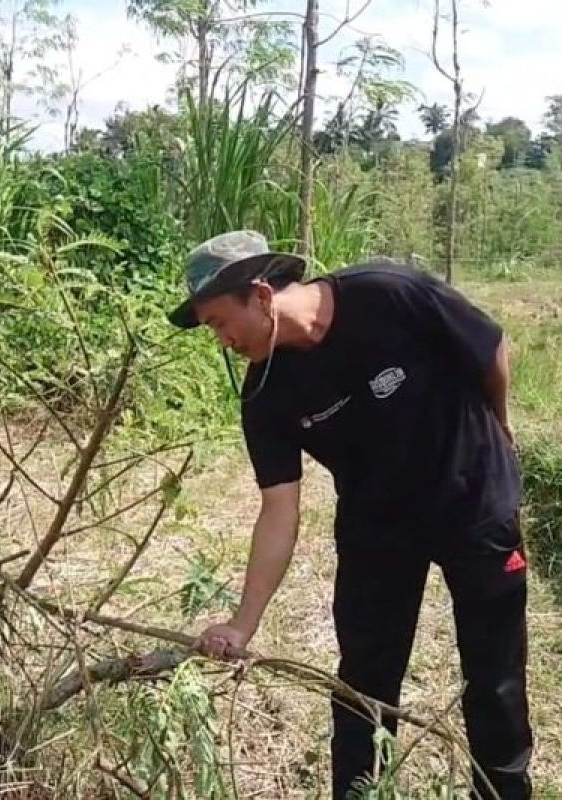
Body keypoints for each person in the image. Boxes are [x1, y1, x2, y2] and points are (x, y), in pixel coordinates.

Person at [167, 230, 533, 799]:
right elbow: (278, 508)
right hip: (377, 525)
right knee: (364, 682)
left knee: (495, 679)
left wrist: (501, 428)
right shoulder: (265, 393)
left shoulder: (387, 294)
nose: (222, 341)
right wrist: (244, 621)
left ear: (260, 296)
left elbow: (489, 349)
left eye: (218, 322)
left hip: (474, 497)